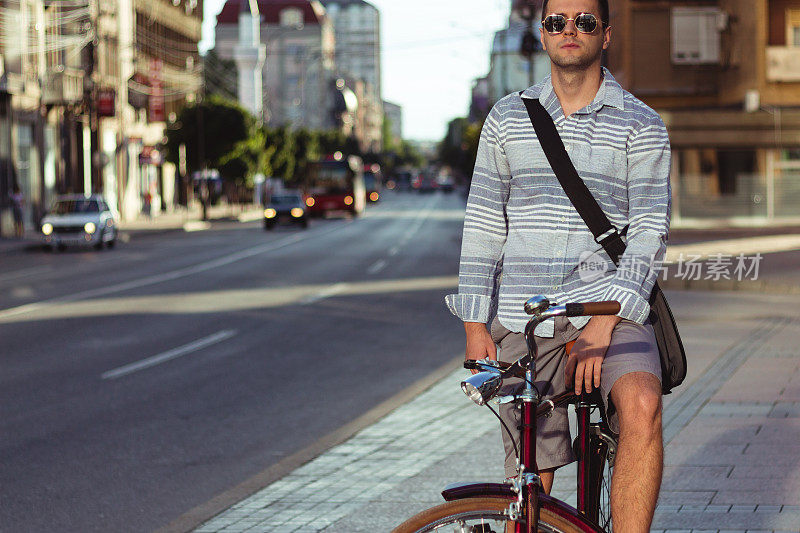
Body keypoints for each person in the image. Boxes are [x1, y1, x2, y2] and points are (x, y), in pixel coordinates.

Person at [444, 0, 670, 530]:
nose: (570, 30)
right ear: (543, 35)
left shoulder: (642, 123)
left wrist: (603, 321)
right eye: (556, 22)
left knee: (641, 405)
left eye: (585, 21)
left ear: (606, 34)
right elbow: (483, 226)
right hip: (526, 314)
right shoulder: (506, 119)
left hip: (609, 307)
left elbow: (648, 235)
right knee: (533, 465)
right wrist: (476, 328)